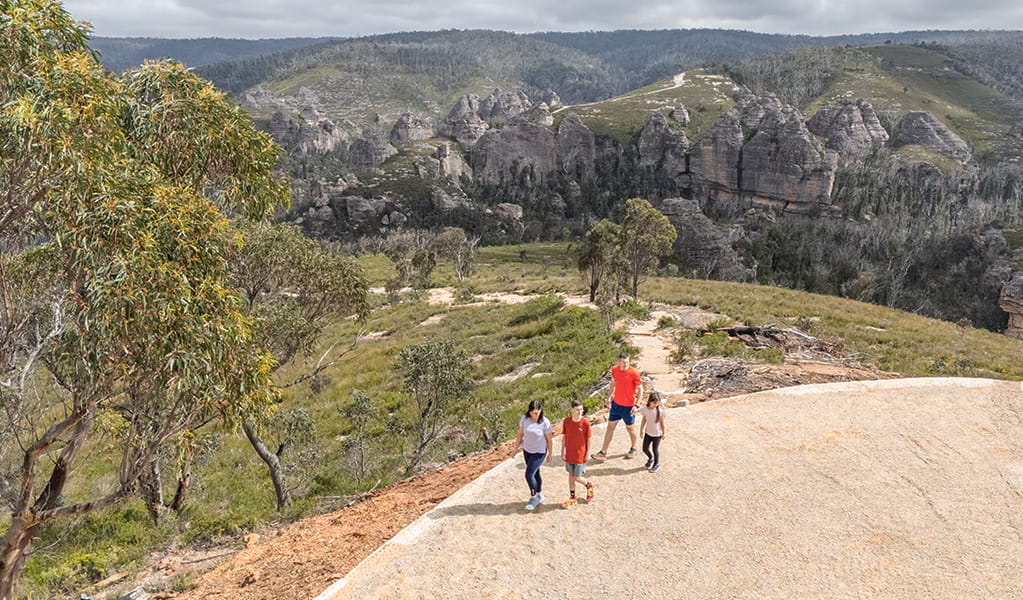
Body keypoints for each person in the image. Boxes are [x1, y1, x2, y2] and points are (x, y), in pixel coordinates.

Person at [592, 352, 643, 460]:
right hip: (616, 405)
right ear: (618, 362)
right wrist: (608, 398)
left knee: (630, 428)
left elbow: (640, 390)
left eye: (627, 362)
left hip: (628, 407)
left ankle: (634, 448)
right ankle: (603, 452)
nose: (626, 364)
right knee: (610, 427)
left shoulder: (634, 373)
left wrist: (637, 405)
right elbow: (612, 384)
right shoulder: (615, 370)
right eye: (623, 362)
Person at [514, 399, 553, 510]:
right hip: (527, 450)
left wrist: (550, 453)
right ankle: (540, 494)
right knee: (535, 473)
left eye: (536, 412)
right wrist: (516, 448)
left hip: (539, 452)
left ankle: (533, 497)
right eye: (532, 412)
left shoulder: (545, 422)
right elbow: (520, 433)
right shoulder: (524, 419)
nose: (534, 415)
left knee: (528, 474)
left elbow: (549, 439)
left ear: (540, 410)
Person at [560, 399, 594, 508]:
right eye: (577, 410)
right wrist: (562, 450)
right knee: (570, 475)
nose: (580, 412)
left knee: (577, 477)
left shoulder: (585, 423)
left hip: (580, 454)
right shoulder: (566, 421)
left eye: (581, 409)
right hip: (569, 454)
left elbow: (589, 439)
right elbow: (564, 437)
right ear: (572, 410)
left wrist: (588, 453)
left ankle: (589, 485)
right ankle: (573, 497)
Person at [639, 390, 666, 472]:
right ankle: (651, 458)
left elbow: (662, 423)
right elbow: (644, 420)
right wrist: (641, 430)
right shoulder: (645, 409)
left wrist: (663, 433)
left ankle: (656, 464)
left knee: (655, 449)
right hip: (648, 433)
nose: (656, 405)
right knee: (645, 448)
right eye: (654, 403)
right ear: (650, 401)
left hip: (657, 434)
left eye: (657, 403)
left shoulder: (659, 411)